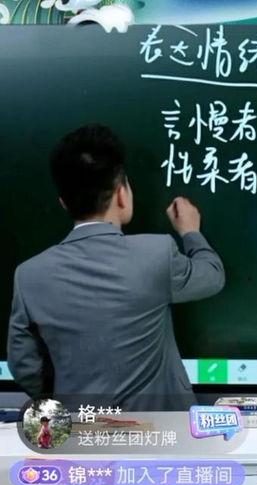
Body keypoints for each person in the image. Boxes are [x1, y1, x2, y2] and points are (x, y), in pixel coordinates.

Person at [8, 124, 225, 411]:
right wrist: (191, 232)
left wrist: (64, 393)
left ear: (64, 203)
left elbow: (23, 365)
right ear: (122, 194)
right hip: (161, 429)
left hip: (81, 427)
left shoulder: (29, 276)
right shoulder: (157, 254)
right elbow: (212, 276)